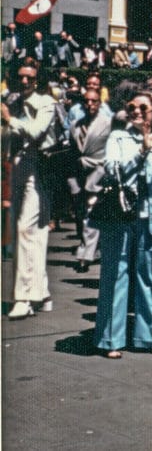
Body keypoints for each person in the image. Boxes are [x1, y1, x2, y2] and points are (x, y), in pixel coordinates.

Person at [92, 90, 152, 358]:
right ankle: (110, 339)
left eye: (143, 107)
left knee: (149, 278)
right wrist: (142, 148)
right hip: (121, 215)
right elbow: (113, 170)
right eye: (132, 107)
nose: (137, 112)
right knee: (115, 274)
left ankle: (149, 337)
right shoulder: (118, 137)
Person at [2, 60, 59, 318]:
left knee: (27, 229)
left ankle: (24, 297)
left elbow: (36, 132)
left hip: (40, 168)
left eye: (30, 78)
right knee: (28, 232)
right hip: (19, 167)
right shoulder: (12, 99)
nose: (24, 82)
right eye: (21, 76)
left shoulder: (46, 102)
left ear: (38, 79)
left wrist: (10, 119)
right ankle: (42, 292)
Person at [69, 88, 113, 273]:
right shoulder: (75, 125)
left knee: (90, 214)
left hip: (99, 174)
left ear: (100, 103)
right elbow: (73, 152)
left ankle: (85, 256)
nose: (90, 105)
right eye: (87, 101)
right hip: (79, 176)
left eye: (94, 101)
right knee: (82, 216)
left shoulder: (107, 123)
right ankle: (93, 250)